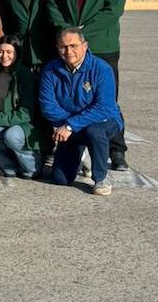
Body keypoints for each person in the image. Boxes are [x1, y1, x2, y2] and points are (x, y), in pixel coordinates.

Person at [46, 0, 128, 170]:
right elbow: (52, 3)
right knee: (70, 97)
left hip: (102, 48)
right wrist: (67, 32)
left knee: (108, 101)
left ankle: (117, 149)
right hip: (70, 48)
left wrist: (81, 34)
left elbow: (112, 11)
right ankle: (70, 143)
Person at [38, 26, 123, 195]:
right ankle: (83, 156)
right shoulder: (50, 70)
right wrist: (70, 126)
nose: (68, 51)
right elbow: (48, 105)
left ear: (85, 46)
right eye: (63, 46)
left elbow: (103, 107)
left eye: (73, 46)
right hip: (69, 127)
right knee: (60, 179)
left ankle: (101, 178)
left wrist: (71, 125)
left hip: (103, 122)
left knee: (94, 131)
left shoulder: (102, 69)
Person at [0, 38, 39, 179]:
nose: (4, 56)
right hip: (5, 120)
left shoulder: (26, 76)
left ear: (17, 53)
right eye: (1, 52)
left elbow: (25, 114)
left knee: (11, 136)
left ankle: (33, 166)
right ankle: (9, 167)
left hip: (26, 124)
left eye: (9, 52)